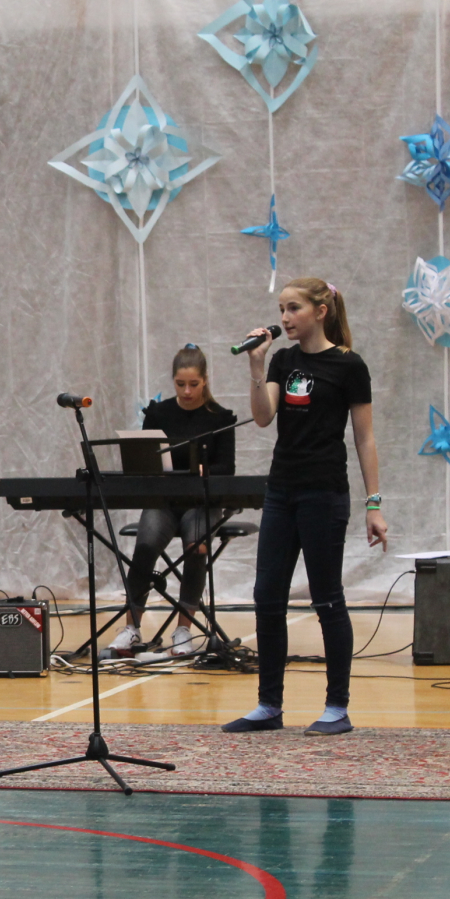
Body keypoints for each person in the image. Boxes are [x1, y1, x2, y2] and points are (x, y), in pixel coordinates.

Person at [227, 278, 387, 736]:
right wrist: (257, 367)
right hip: (282, 492)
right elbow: (263, 417)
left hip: (324, 493)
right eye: (281, 308)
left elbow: (364, 438)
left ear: (321, 311)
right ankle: (269, 705)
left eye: (293, 308)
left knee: (327, 598)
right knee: (267, 597)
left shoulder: (349, 365)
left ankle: (337, 706)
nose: (284, 317)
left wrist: (374, 504)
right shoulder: (283, 360)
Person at [110, 344, 238, 658]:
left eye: (194, 384)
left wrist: (206, 470)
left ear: (205, 380)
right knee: (145, 546)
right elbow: (143, 459)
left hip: (202, 502)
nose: (187, 391)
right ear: (173, 381)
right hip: (165, 500)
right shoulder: (158, 413)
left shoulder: (221, 418)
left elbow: (227, 467)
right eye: (180, 384)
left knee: (196, 547)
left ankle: (183, 630)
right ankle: (131, 628)